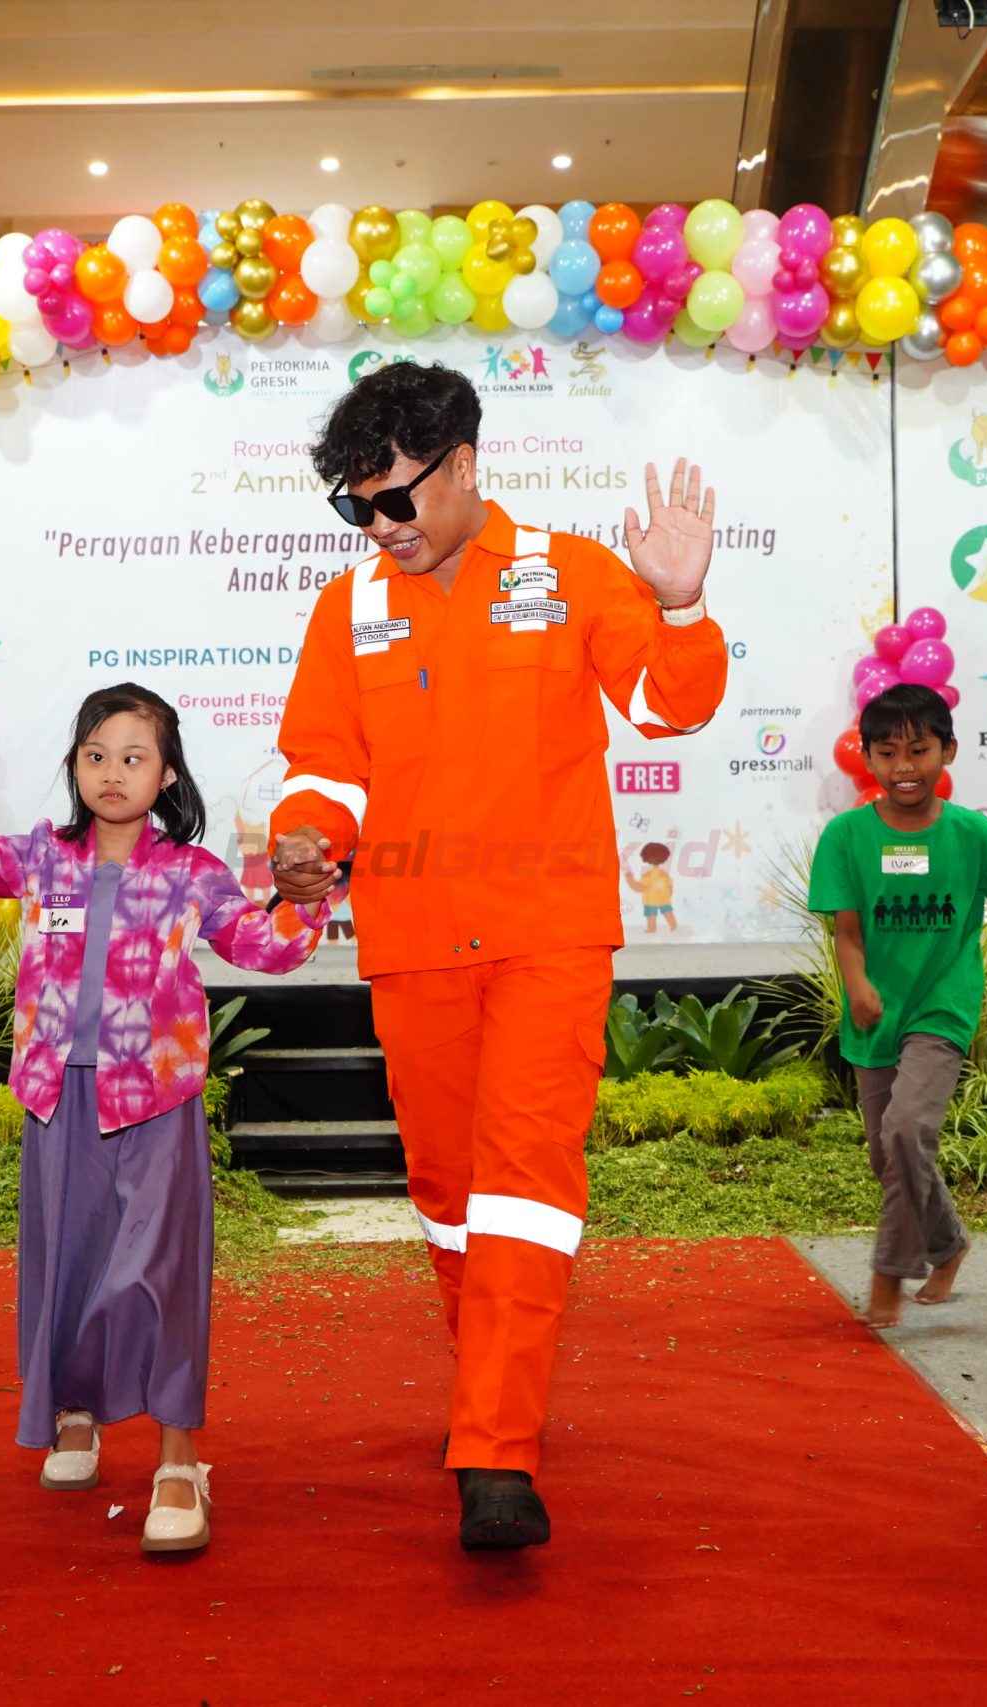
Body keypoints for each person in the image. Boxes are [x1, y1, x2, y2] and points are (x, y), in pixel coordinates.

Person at [268, 360, 727, 1551]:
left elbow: (669, 707)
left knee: (524, 1183)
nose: (379, 527)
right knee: (447, 1198)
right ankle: (490, 1399)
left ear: (465, 465)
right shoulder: (348, 609)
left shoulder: (569, 573)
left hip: (547, 938)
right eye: (356, 507)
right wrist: (307, 841)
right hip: (412, 943)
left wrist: (677, 604)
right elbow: (322, 764)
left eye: (395, 500)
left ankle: (494, 1451)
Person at [0, 676, 325, 1556]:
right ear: (76, 767)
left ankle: (177, 1457)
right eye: (96, 755)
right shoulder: (42, 856)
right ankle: (74, 1416)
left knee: (152, 1277)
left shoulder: (192, 874)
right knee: (70, 1267)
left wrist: (310, 890)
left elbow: (268, 948)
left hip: (154, 1101)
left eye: (133, 756)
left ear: (167, 774)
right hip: (58, 1095)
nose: (112, 772)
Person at [809, 685, 987, 1327]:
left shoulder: (976, 835)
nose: (905, 766)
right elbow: (846, 931)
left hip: (942, 1008)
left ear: (947, 750)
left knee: (906, 1131)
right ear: (866, 757)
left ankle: (888, 1275)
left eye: (919, 750)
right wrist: (858, 985)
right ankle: (948, 1244)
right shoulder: (844, 837)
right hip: (875, 1016)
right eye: (888, 752)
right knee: (886, 1153)